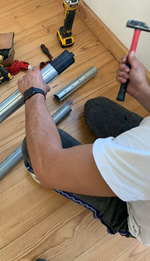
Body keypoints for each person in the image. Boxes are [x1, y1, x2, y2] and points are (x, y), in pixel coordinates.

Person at [18, 51, 150, 246]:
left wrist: (33, 94)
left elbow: (48, 166)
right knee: (97, 109)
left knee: (34, 151)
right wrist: (142, 90)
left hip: (134, 214)